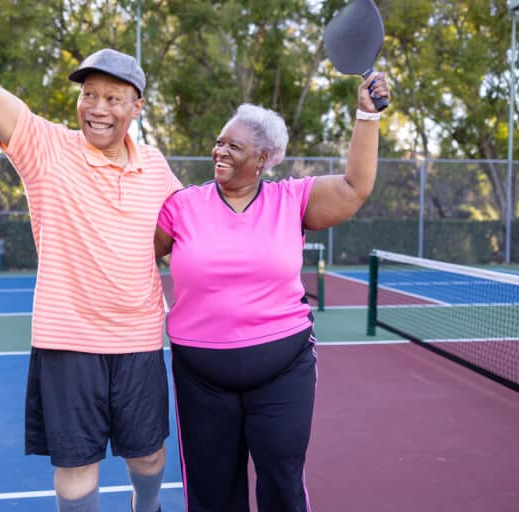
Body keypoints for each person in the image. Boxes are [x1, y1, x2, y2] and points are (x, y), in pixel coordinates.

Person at [0, 3, 181, 512]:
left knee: (150, 458)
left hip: (138, 339)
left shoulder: (156, 167)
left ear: (137, 108)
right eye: (89, 94)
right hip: (67, 339)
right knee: (75, 466)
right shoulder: (44, 147)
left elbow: (196, 233)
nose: (97, 107)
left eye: (113, 97)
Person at [154, 74, 391, 511]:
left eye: (233, 147)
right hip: (200, 378)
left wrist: (366, 116)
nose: (220, 152)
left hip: (283, 371)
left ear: (262, 159)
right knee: (211, 491)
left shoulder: (293, 200)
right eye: (219, 142)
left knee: (282, 483)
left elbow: (356, 187)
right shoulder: (183, 206)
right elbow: (135, 254)